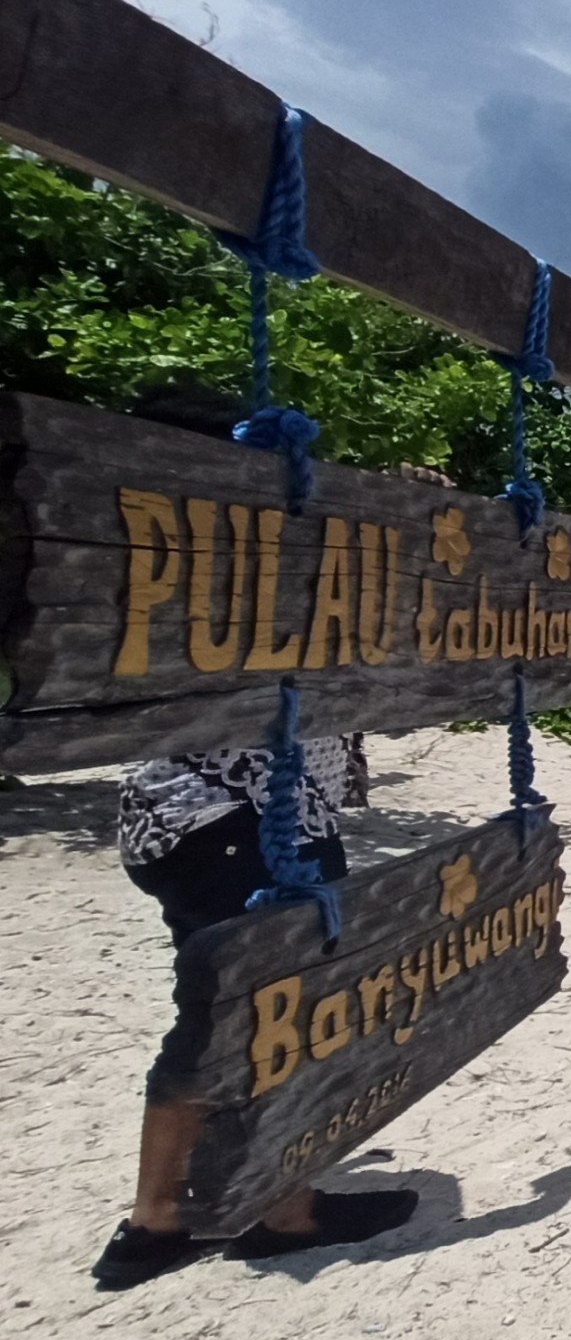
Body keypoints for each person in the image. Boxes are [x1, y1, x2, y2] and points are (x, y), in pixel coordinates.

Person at [93, 385, 418, 1290]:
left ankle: (238, 1199)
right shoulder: (217, 553)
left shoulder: (177, 549)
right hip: (233, 819)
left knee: (248, 1007)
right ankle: (195, 1216)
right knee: (245, 1009)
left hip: (214, 817)